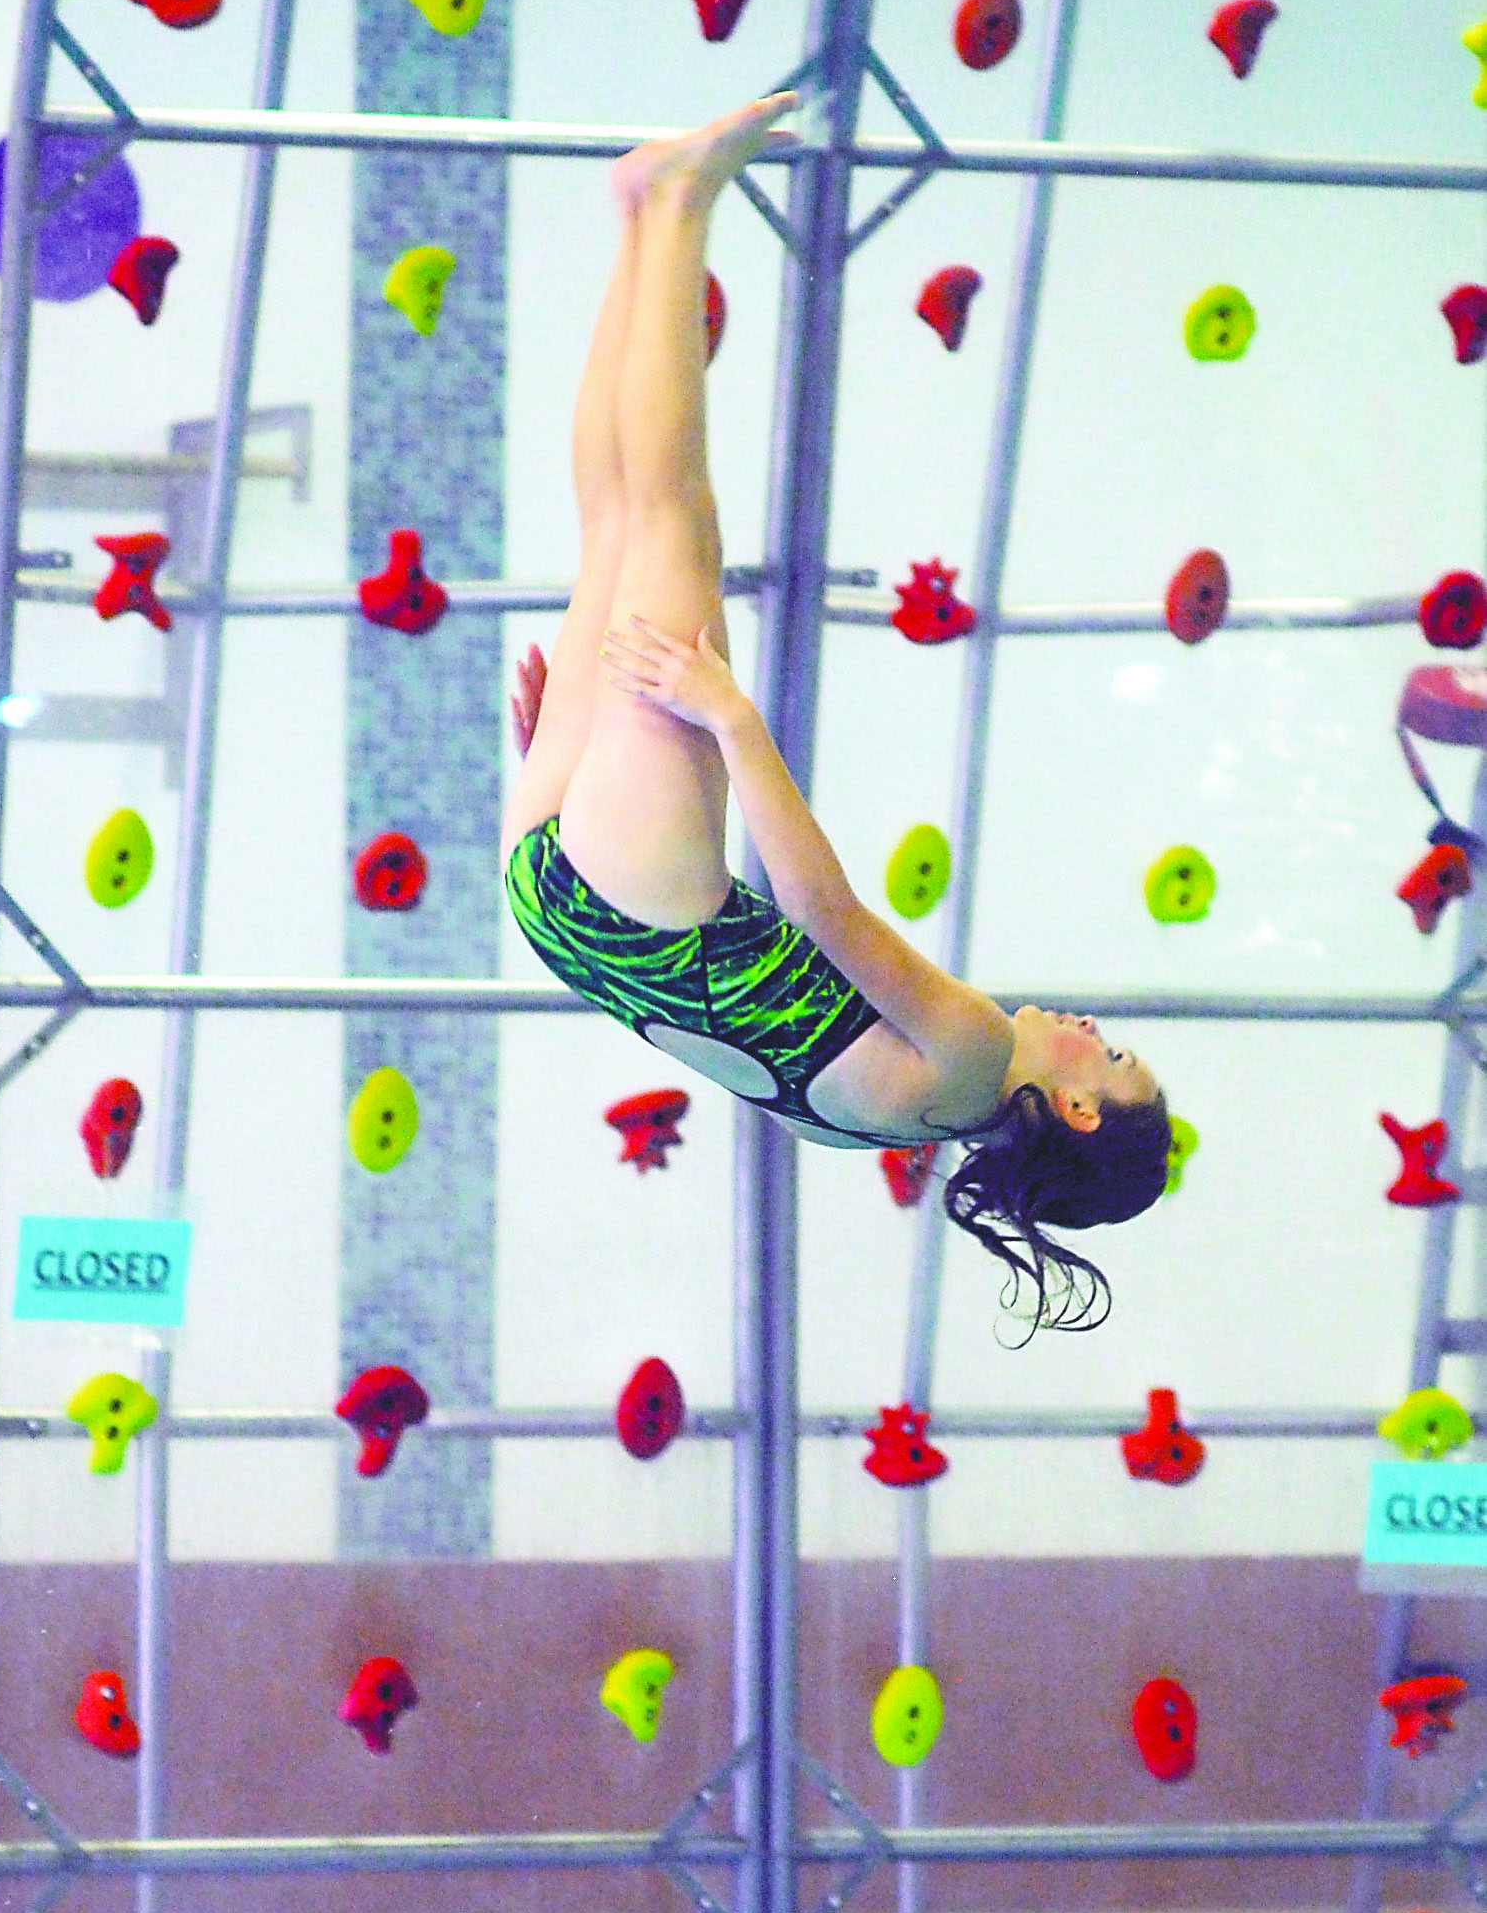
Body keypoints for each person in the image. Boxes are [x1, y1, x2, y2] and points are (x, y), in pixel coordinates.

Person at [501, 94, 1172, 1333]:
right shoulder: (900, 1116)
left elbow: (822, 908)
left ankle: (679, 199)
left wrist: (729, 719)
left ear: (1077, 1110)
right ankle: (647, 208)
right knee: (620, 525)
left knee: (668, 519)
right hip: (572, 907)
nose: (1093, 1031)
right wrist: (579, 764)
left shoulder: (973, 1053)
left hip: (649, 897)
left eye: (1111, 1058)